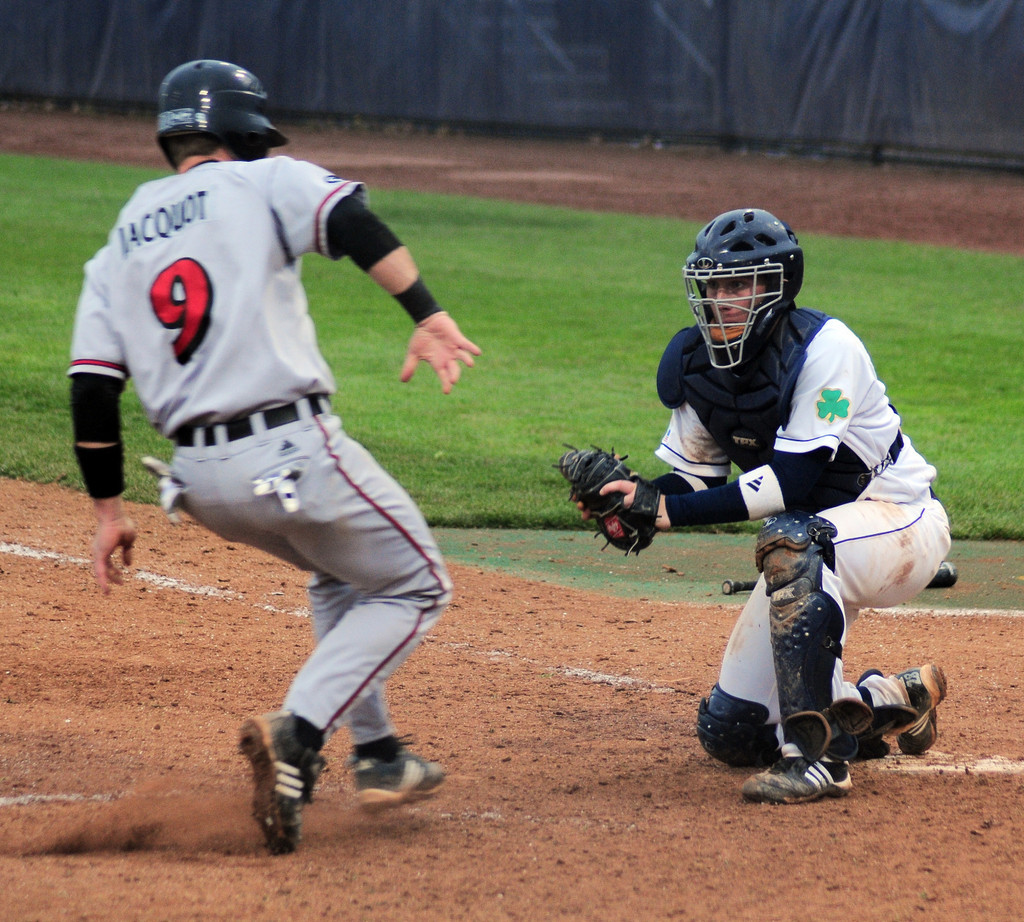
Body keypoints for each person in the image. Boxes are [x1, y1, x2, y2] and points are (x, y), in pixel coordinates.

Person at [68, 59, 481, 853]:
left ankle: (380, 754)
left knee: (338, 572)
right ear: (243, 133)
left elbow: (92, 389)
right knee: (419, 584)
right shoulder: (264, 183)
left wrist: (107, 516)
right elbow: (353, 222)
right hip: (290, 450)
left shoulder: (121, 236)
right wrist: (427, 315)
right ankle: (300, 731)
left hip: (197, 482)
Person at [581, 208, 951, 804]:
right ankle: (894, 696)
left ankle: (820, 759)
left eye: (739, 284)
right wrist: (637, 503)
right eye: (713, 285)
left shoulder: (827, 348)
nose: (722, 299)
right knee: (731, 733)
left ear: (777, 285)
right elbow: (694, 482)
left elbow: (792, 482)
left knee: (791, 540)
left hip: (896, 520)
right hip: (815, 539)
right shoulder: (696, 366)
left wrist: (666, 513)